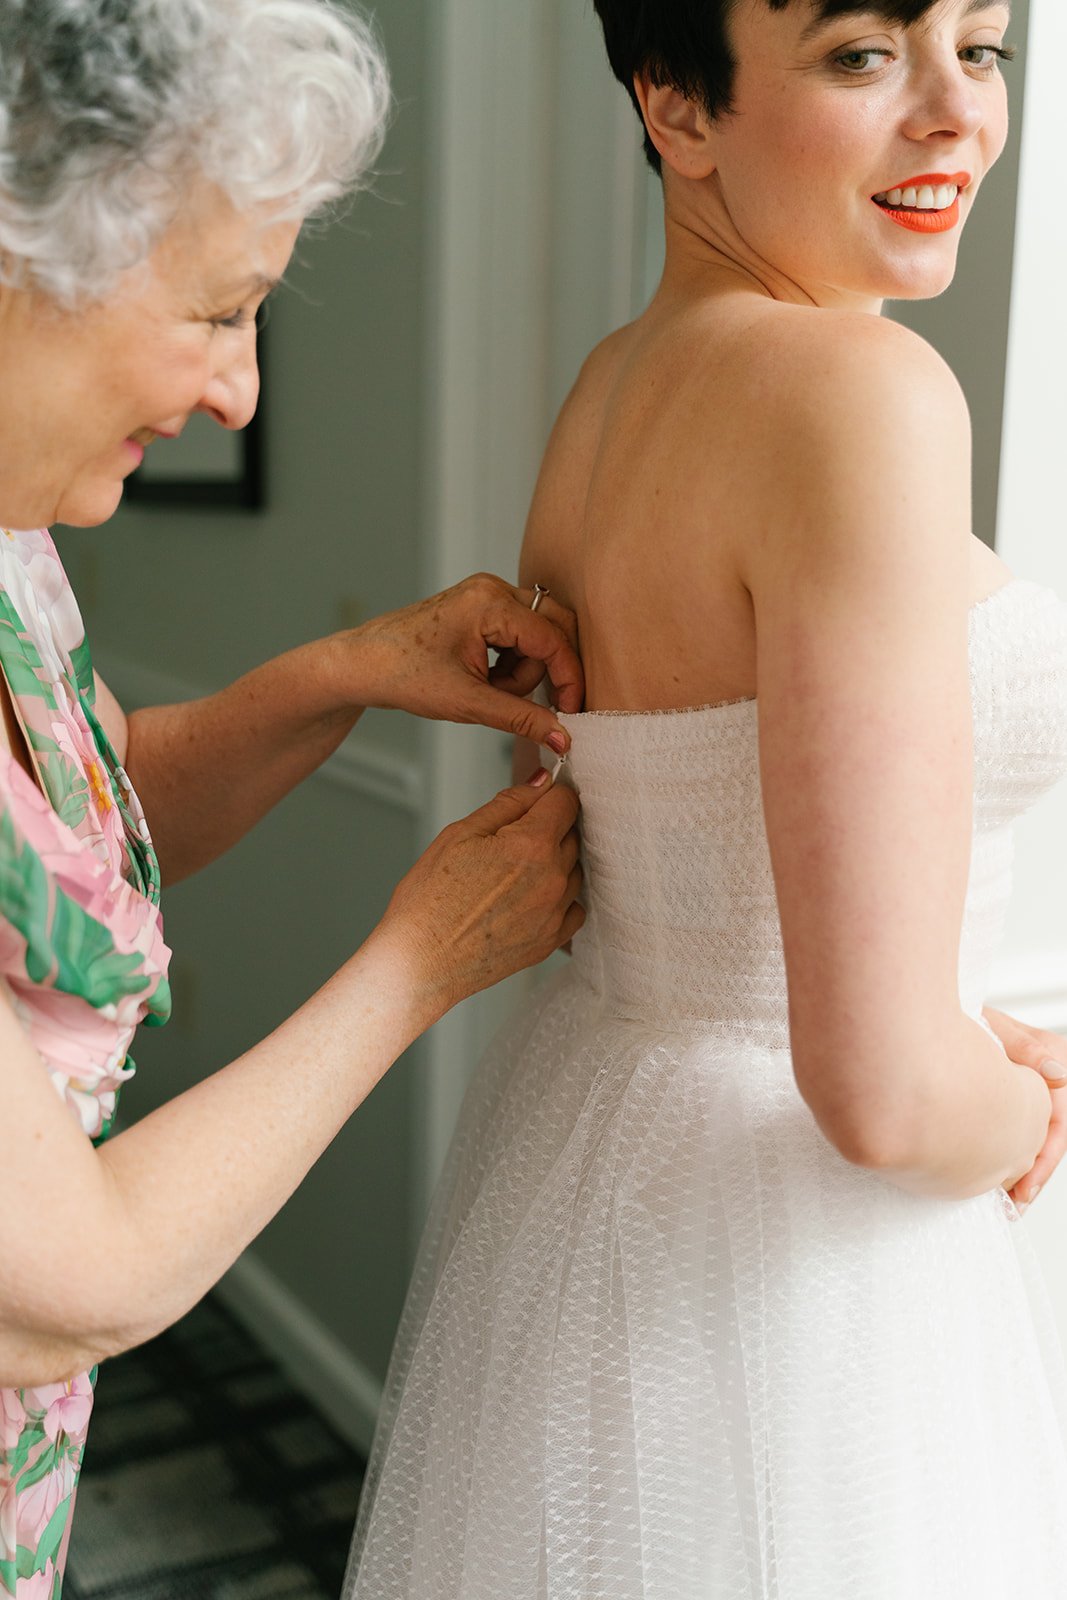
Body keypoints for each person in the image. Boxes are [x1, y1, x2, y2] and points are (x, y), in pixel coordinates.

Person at [344, 1, 1067, 1594]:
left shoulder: (609, 395)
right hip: (796, 1256)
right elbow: (876, 1092)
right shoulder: (862, 398)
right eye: (867, 54)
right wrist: (1034, 1102)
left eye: (986, 46)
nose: (957, 114)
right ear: (674, 103)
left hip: (593, 1144)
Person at [0, 3, 586, 1595]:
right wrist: (422, 961)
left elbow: (84, 848)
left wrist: (344, 673)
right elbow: (68, 1277)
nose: (242, 391)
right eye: (218, 309)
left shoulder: (14, 555)